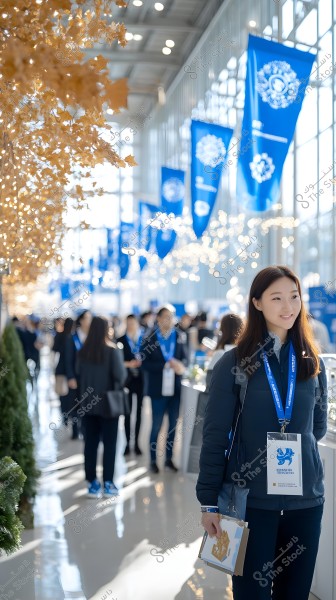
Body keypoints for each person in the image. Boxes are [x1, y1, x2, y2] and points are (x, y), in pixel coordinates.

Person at [197, 265, 328, 600]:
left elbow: (317, 427)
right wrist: (208, 502)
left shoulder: (312, 361)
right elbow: (214, 435)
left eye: (294, 297)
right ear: (256, 303)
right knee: (251, 594)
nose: (288, 307)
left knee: (295, 593)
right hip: (251, 501)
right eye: (277, 298)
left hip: (305, 501)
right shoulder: (234, 363)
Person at [77, 316, 127, 498]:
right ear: (107, 329)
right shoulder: (112, 351)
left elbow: (77, 377)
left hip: (87, 406)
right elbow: (120, 377)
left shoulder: (82, 352)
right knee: (110, 444)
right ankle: (108, 482)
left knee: (90, 444)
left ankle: (92, 483)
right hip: (109, 406)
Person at [140, 305, 188, 474]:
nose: (169, 320)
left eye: (171, 317)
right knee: (156, 426)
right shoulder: (150, 338)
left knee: (173, 426)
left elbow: (185, 359)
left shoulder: (180, 336)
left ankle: (169, 459)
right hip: (158, 389)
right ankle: (153, 460)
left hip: (175, 389)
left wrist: (180, 366)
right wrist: (165, 365)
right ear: (158, 319)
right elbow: (144, 364)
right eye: (166, 317)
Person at [117, 314, 144, 456]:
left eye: (133, 323)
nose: (131, 325)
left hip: (140, 380)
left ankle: (137, 443)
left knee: (139, 413)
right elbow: (116, 361)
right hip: (127, 381)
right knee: (127, 413)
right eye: (129, 323)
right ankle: (127, 443)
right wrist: (128, 364)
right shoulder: (120, 340)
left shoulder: (144, 339)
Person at [53, 318, 79, 439]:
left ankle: (64, 417)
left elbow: (54, 349)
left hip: (61, 371)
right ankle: (74, 427)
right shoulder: (72, 338)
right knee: (72, 399)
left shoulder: (60, 335)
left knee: (63, 397)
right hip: (69, 372)